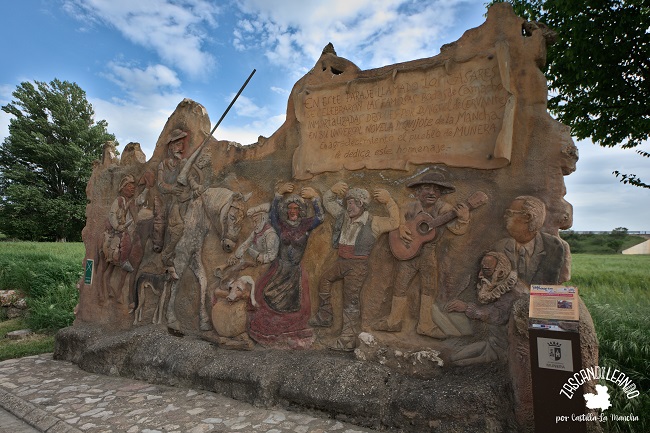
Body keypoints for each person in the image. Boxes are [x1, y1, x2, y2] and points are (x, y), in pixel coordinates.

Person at [373, 172, 469, 338]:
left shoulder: (445, 210)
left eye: (436, 190)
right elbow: (396, 222)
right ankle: (394, 321)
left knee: (429, 286)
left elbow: (457, 229)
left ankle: (425, 325)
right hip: (407, 251)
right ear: (418, 191)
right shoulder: (408, 207)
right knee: (400, 284)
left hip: (428, 253)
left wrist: (463, 219)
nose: (432, 192)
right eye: (427, 188)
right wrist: (400, 228)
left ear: (441, 193)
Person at [310, 182, 399, 351]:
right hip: (341, 261)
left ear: (361, 203)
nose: (348, 206)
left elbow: (394, 222)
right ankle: (325, 315)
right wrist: (332, 190)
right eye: (347, 203)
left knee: (350, 300)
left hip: (358, 266)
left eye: (352, 203)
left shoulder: (373, 222)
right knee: (324, 280)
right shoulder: (343, 216)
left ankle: (348, 339)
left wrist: (389, 201)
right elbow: (328, 203)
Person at [248, 183, 324, 348]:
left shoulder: (305, 225)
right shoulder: (281, 224)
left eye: (296, 208)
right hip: (279, 269)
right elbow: (273, 215)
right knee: (267, 297)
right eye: (290, 208)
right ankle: (270, 332)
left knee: (293, 306)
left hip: (295, 273)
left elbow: (320, 218)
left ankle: (289, 333)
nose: (292, 211)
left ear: (300, 211)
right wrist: (278, 194)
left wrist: (315, 198)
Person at [445, 252, 526, 365]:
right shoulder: (499, 284)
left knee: (459, 363)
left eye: (486, 270)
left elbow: (496, 315)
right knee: (453, 357)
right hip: (493, 344)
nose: (480, 275)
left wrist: (466, 307)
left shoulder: (514, 290)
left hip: (507, 350)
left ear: (500, 272)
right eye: (481, 269)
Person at [156, 129, 205, 279]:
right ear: (171, 146)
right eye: (178, 144)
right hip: (170, 202)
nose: (181, 148)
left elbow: (189, 178)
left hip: (185, 200)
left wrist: (195, 187)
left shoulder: (183, 163)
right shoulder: (163, 164)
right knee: (178, 228)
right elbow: (160, 185)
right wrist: (172, 189)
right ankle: (167, 257)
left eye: (183, 145)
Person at [493, 195, 567, 285]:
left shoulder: (553, 246)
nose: (505, 216)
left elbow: (551, 283)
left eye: (510, 213)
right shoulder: (499, 247)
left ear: (528, 217)